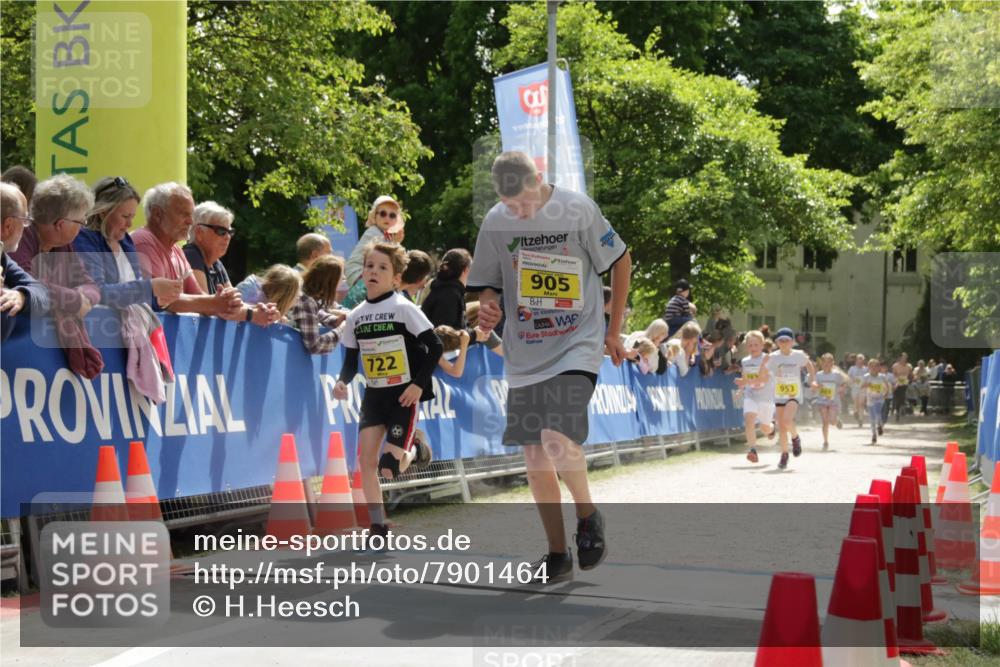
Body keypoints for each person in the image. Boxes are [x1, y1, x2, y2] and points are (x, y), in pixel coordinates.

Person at [469, 150, 631, 583]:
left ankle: (587, 513)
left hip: (578, 344)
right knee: (535, 457)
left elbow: (620, 260)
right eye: (510, 205)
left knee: (556, 436)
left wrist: (613, 331)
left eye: (524, 202)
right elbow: (487, 283)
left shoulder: (577, 209)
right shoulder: (495, 221)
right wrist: (487, 307)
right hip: (526, 353)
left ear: (539, 177)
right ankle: (557, 554)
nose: (518, 212)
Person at [333, 242, 440, 540]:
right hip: (374, 396)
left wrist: (418, 384)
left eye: (382, 267)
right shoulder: (355, 316)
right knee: (365, 463)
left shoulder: (404, 308)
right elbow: (352, 360)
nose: (373, 272)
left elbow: (436, 346)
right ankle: (378, 526)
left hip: (404, 395)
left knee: (388, 467)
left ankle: (417, 450)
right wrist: (342, 381)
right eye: (369, 266)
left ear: (396, 277)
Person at [133, 183, 274, 325]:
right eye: (183, 214)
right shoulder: (144, 242)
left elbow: (199, 298)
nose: (190, 221)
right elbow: (163, 299)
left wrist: (247, 308)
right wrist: (219, 304)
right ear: (157, 214)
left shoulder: (176, 251)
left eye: (191, 215)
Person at [9, 174, 104, 377]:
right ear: (61, 224)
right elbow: (28, 285)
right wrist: (74, 299)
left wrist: (83, 297)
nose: (82, 226)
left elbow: (90, 285)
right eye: (81, 221)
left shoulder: (63, 246)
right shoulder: (22, 236)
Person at [73, 177, 182, 310]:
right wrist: (150, 287)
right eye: (125, 217)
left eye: (132, 217)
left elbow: (135, 296)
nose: (130, 224)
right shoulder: (84, 239)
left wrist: (158, 300)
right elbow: (96, 292)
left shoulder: (126, 241)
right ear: (103, 213)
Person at [1, 182, 49, 341]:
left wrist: (21, 296)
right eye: (25, 219)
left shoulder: (3, 258)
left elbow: (42, 293)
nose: (27, 227)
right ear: (8, 225)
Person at [341, 196, 405, 308]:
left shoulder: (386, 235)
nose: (387, 218)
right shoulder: (373, 232)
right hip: (359, 276)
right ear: (374, 217)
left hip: (369, 275)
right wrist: (396, 243)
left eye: (392, 215)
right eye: (383, 214)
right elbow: (385, 256)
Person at [769, 327, 818, 469]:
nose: (784, 343)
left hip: (793, 393)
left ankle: (795, 438)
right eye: (781, 341)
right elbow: (765, 372)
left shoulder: (798, 355)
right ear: (777, 342)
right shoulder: (773, 357)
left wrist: (812, 380)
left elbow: (809, 366)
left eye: (787, 340)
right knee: (781, 427)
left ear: (792, 342)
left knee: (786, 420)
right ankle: (784, 455)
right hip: (779, 394)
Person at [288, 255, 348, 355]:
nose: (343, 280)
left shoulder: (307, 298)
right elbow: (315, 346)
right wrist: (341, 329)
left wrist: (335, 321)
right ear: (331, 282)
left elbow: (315, 313)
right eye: (341, 278)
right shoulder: (306, 302)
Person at [734, 330, 775, 463]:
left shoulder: (767, 359)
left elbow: (763, 378)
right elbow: (745, 376)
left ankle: (771, 428)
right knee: (749, 419)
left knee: (765, 428)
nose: (753, 348)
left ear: (762, 345)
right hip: (751, 395)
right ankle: (753, 450)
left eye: (756, 345)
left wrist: (744, 382)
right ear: (747, 346)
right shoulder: (745, 361)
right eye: (750, 345)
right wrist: (741, 388)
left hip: (766, 398)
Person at [184, 201, 235, 296]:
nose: (228, 237)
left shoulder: (216, 263)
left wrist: (257, 309)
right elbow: (205, 306)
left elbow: (234, 302)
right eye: (221, 231)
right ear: (199, 232)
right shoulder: (191, 255)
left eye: (230, 232)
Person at [421, 248, 473, 328]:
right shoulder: (451, 295)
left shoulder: (440, 288)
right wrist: (474, 334)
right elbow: (444, 334)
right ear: (466, 270)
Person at [815, 353, 847, 451]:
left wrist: (841, 389)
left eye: (829, 362)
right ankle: (825, 441)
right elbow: (814, 385)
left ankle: (836, 421)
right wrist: (817, 386)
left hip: (834, 401)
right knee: (825, 422)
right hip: (822, 400)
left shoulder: (836, 374)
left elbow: (844, 383)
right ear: (821, 363)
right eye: (824, 362)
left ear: (833, 363)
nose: (826, 364)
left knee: (831, 421)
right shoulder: (818, 375)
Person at [861, 358, 890, 444]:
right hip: (870, 399)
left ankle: (879, 425)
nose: (874, 368)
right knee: (872, 418)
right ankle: (874, 434)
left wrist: (886, 393)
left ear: (879, 368)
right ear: (868, 367)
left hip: (879, 398)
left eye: (876, 366)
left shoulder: (882, 376)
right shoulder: (866, 376)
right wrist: (866, 385)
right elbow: (861, 386)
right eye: (871, 366)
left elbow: (887, 385)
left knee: (878, 412)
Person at [891, 352, 913, 423]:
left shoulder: (909, 366)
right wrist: (895, 382)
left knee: (902, 396)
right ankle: (897, 411)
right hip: (897, 383)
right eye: (903, 357)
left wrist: (910, 380)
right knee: (898, 398)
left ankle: (901, 409)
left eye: (906, 358)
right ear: (900, 358)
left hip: (905, 383)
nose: (904, 359)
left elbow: (911, 375)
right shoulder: (895, 366)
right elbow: (893, 375)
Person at [848, 353, 867, 428]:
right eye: (859, 360)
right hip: (854, 388)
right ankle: (855, 412)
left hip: (863, 388)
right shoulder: (852, 368)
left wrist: (866, 384)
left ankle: (861, 419)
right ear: (856, 360)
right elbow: (849, 377)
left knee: (861, 403)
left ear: (863, 361)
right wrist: (852, 380)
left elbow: (868, 378)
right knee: (856, 403)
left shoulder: (866, 369)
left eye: (861, 360)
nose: (860, 361)